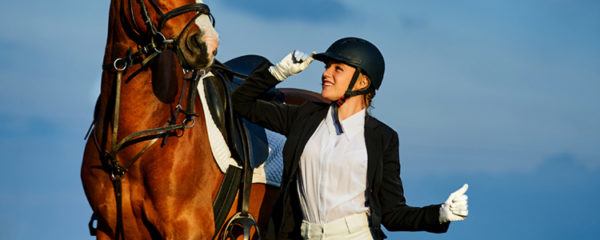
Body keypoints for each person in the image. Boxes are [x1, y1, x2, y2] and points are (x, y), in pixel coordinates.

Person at [232, 37, 469, 240]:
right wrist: (278, 72)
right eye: (327, 67)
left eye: (338, 68)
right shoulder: (304, 117)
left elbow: (392, 214)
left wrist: (440, 214)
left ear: (363, 82)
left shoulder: (383, 138)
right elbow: (241, 103)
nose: (326, 73)